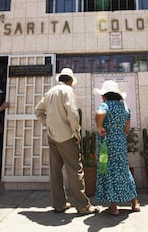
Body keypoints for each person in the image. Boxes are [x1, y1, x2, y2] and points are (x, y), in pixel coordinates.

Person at [34, 68, 98, 215]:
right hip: (67, 137)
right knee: (75, 170)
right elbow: (73, 113)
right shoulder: (67, 91)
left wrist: (49, 123)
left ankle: (59, 204)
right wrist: (76, 132)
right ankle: (83, 206)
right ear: (69, 80)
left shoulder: (50, 92)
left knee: (55, 171)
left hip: (52, 136)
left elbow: (38, 111)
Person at [93, 80, 140, 215]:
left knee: (107, 170)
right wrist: (119, 134)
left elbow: (99, 113)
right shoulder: (124, 107)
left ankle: (113, 207)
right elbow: (127, 128)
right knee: (124, 170)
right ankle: (134, 203)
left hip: (105, 144)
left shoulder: (105, 105)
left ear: (106, 95)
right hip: (120, 142)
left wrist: (99, 127)